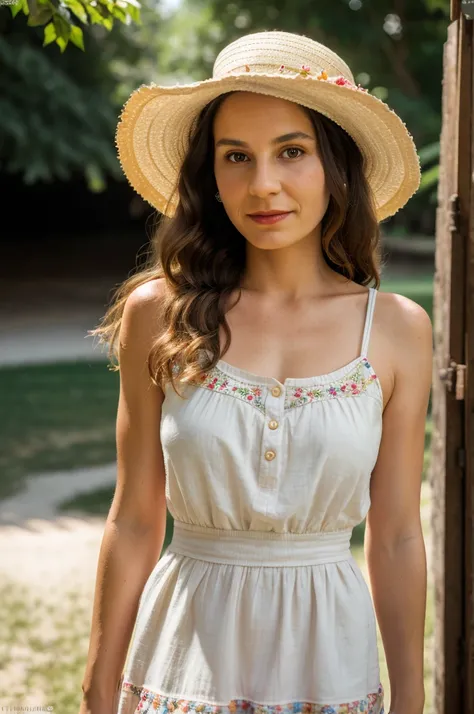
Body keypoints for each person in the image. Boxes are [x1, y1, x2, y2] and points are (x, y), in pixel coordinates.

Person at [80, 29, 431, 714]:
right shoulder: (159, 314)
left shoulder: (394, 331)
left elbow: (394, 537)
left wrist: (412, 697)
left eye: (291, 152)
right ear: (210, 175)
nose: (262, 184)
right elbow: (132, 520)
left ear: (336, 167)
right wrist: (98, 681)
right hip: (182, 659)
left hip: (330, 664)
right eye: (235, 156)